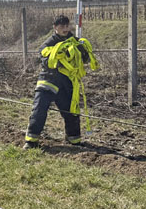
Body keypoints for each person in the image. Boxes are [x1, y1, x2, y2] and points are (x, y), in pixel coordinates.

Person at [24, 15, 97, 149]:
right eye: (61, 26)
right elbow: (44, 59)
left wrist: (83, 53)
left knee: (71, 111)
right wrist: (59, 60)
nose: (65, 28)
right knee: (39, 109)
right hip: (48, 80)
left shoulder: (76, 42)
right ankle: (31, 141)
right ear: (55, 27)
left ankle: (74, 140)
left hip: (67, 84)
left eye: (67, 26)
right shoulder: (48, 43)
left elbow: (85, 59)